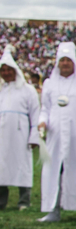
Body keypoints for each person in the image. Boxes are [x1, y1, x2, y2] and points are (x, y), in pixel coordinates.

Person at [37, 42, 76, 223]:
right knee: (54, 172)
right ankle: (53, 210)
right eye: (62, 60)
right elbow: (45, 108)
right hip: (55, 137)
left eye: (68, 60)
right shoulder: (50, 84)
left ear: (74, 62)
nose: (65, 64)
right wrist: (42, 122)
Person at [0, 46, 40, 211]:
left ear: (15, 70)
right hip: (2, 135)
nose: (6, 73)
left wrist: (34, 136)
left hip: (21, 135)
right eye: (3, 70)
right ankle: (1, 201)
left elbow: (35, 114)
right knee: (1, 166)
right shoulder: (1, 90)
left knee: (22, 165)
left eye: (9, 69)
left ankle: (24, 200)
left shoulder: (28, 90)